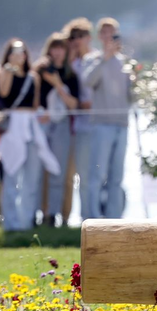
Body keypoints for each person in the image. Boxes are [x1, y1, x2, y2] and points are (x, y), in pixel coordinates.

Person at [0, 39, 59, 231]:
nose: (19, 56)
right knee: (11, 176)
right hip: (13, 129)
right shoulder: (5, 72)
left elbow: (35, 103)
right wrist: (9, 69)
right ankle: (11, 224)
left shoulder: (33, 76)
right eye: (15, 52)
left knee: (31, 178)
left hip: (30, 127)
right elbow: (3, 93)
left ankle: (26, 222)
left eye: (22, 52)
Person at [82, 18, 134, 219]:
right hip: (101, 124)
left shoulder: (125, 62)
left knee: (117, 177)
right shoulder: (93, 59)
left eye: (112, 33)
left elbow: (132, 95)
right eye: (104, 33)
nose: (109, 37)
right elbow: (88, 81)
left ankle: (114, 220)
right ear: (99, 36)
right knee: (97, 174)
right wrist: (105, 58)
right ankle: (92, 218)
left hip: (122, 124)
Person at [36, 32, 81, 227]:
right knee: (39, 172)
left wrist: (58, 85)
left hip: (63, 125)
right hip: (42, 124)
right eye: (54, 47)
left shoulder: (71, 76)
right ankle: (40, 213)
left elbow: (73, 104)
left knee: (59, 172)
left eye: (61, 48)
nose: (57, 52)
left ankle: (55, 214)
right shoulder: (39, 71)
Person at [65, 19, 96, 219]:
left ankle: (95, 216)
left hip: (98, 123)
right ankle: (84, 218)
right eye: (73, 37)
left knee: (96, 175)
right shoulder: (71, 65)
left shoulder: (97, 59)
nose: (77, 41)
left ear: (88, 38)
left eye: (80, 36)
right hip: (78, 124)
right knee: (81, 175)